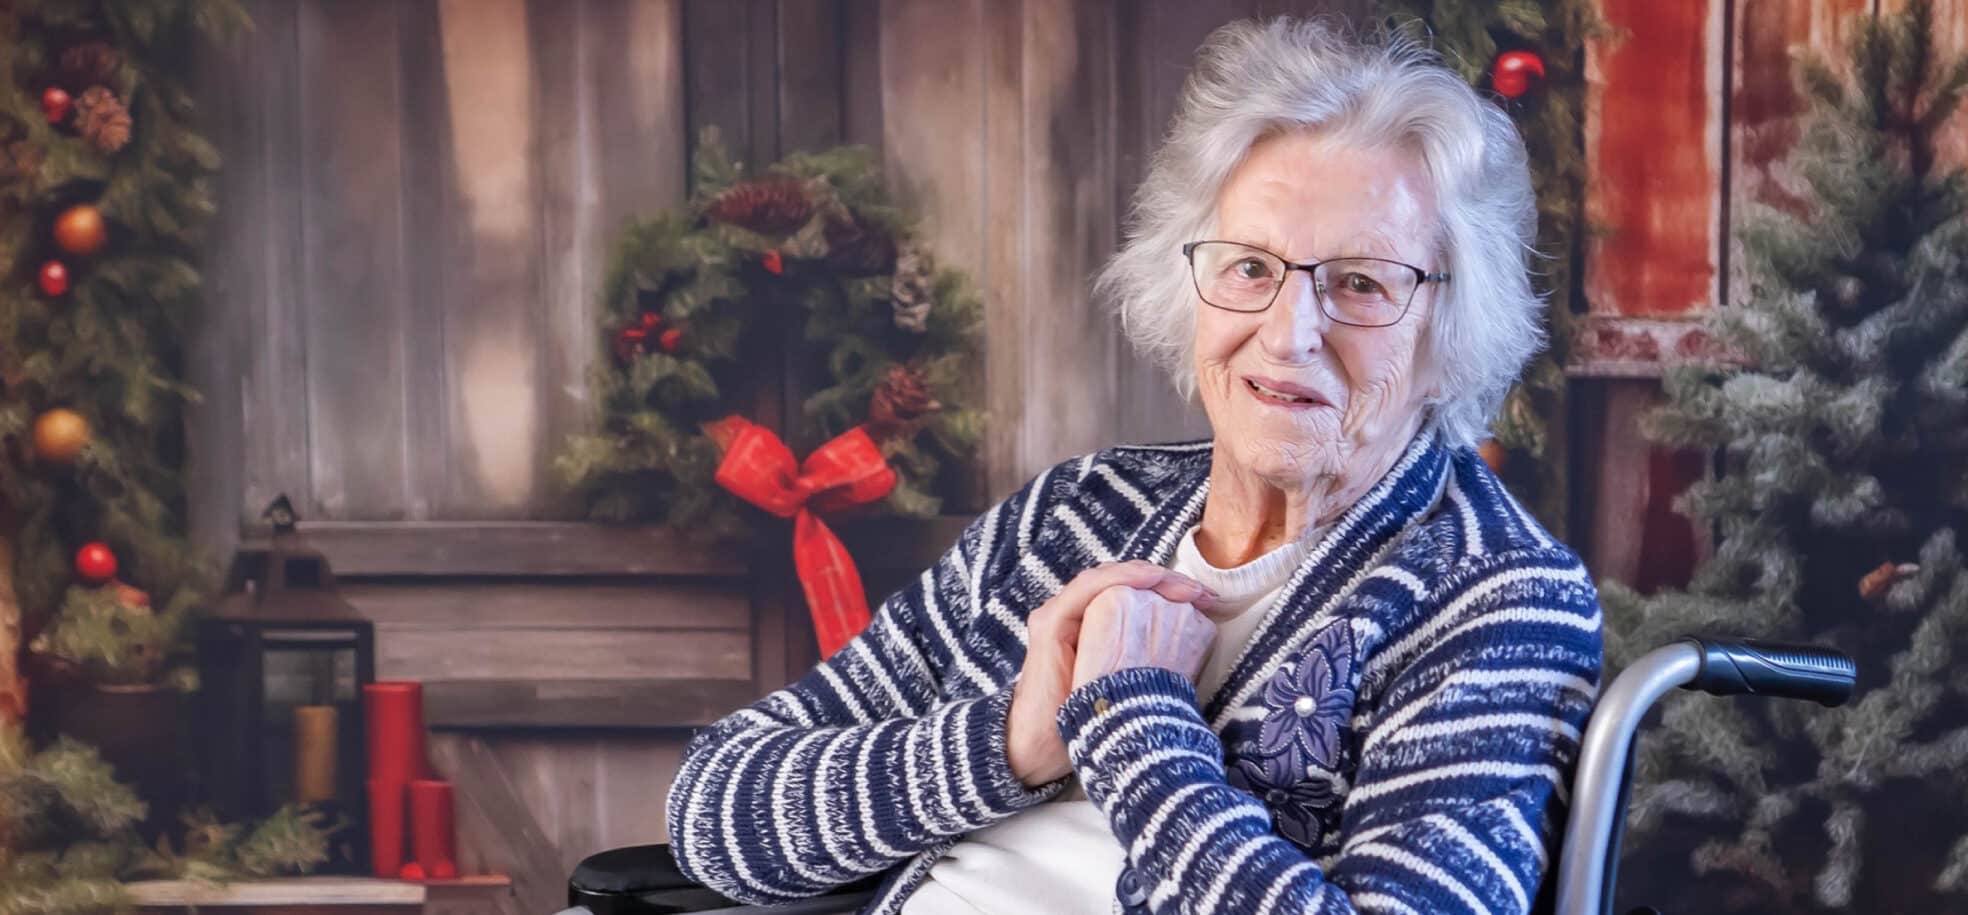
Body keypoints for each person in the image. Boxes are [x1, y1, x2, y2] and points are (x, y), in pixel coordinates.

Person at [666, 17, 1602, 915]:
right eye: (1248, 268)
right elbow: (711, 806)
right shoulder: (1079, 511)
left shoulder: (1499, 598)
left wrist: (1134, 723)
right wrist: (1008, 744)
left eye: (1360, 283)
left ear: (1451, 326)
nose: (1288, 332)